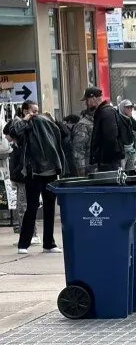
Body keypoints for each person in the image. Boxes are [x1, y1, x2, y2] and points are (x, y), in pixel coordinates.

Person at [13, 105, 66, 254]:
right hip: (33, 173)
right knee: (32, 207)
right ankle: (23, 243)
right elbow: (14, 132)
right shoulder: (25, 125)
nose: (36, 114)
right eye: (33, 111)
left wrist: (54, 120)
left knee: (49, 208)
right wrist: (25, 120)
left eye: (37, 111)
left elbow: (64, 135)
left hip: (49, 172)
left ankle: (49, 243)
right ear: (25, 111)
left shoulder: (46, 123)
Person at [6, 102, 40, 242]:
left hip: (24, 174)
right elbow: (10, 131)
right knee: (24, 205)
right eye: (34, 111)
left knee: (24, 206)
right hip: (21, 174)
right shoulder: (21, 130)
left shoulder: (29, 128)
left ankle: (31, 234)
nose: (36, 114)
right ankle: (28, 234)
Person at [86, 87, 125, 172]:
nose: (87, 104)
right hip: (108, 161)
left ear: (93, 98)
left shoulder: (106, 113)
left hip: (108, 162)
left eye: (87, 100)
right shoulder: (103, 112)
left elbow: (110, 138)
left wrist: (103, 159)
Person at [71, 103, 95, 177]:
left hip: (95, 164)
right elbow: (78, 149)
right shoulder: (83, 125)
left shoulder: (96, 122)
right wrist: (81, 169)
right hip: (88, 166)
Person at [117, 100, 136, 171]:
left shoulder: (129, 118)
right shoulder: (118, 118)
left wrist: (131, 118)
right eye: (127, 107)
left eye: (131, 107)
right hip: (123, 150)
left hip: (131, 148)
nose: (129, 109)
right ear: (122, 108)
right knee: (123, 170)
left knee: (131, 170)